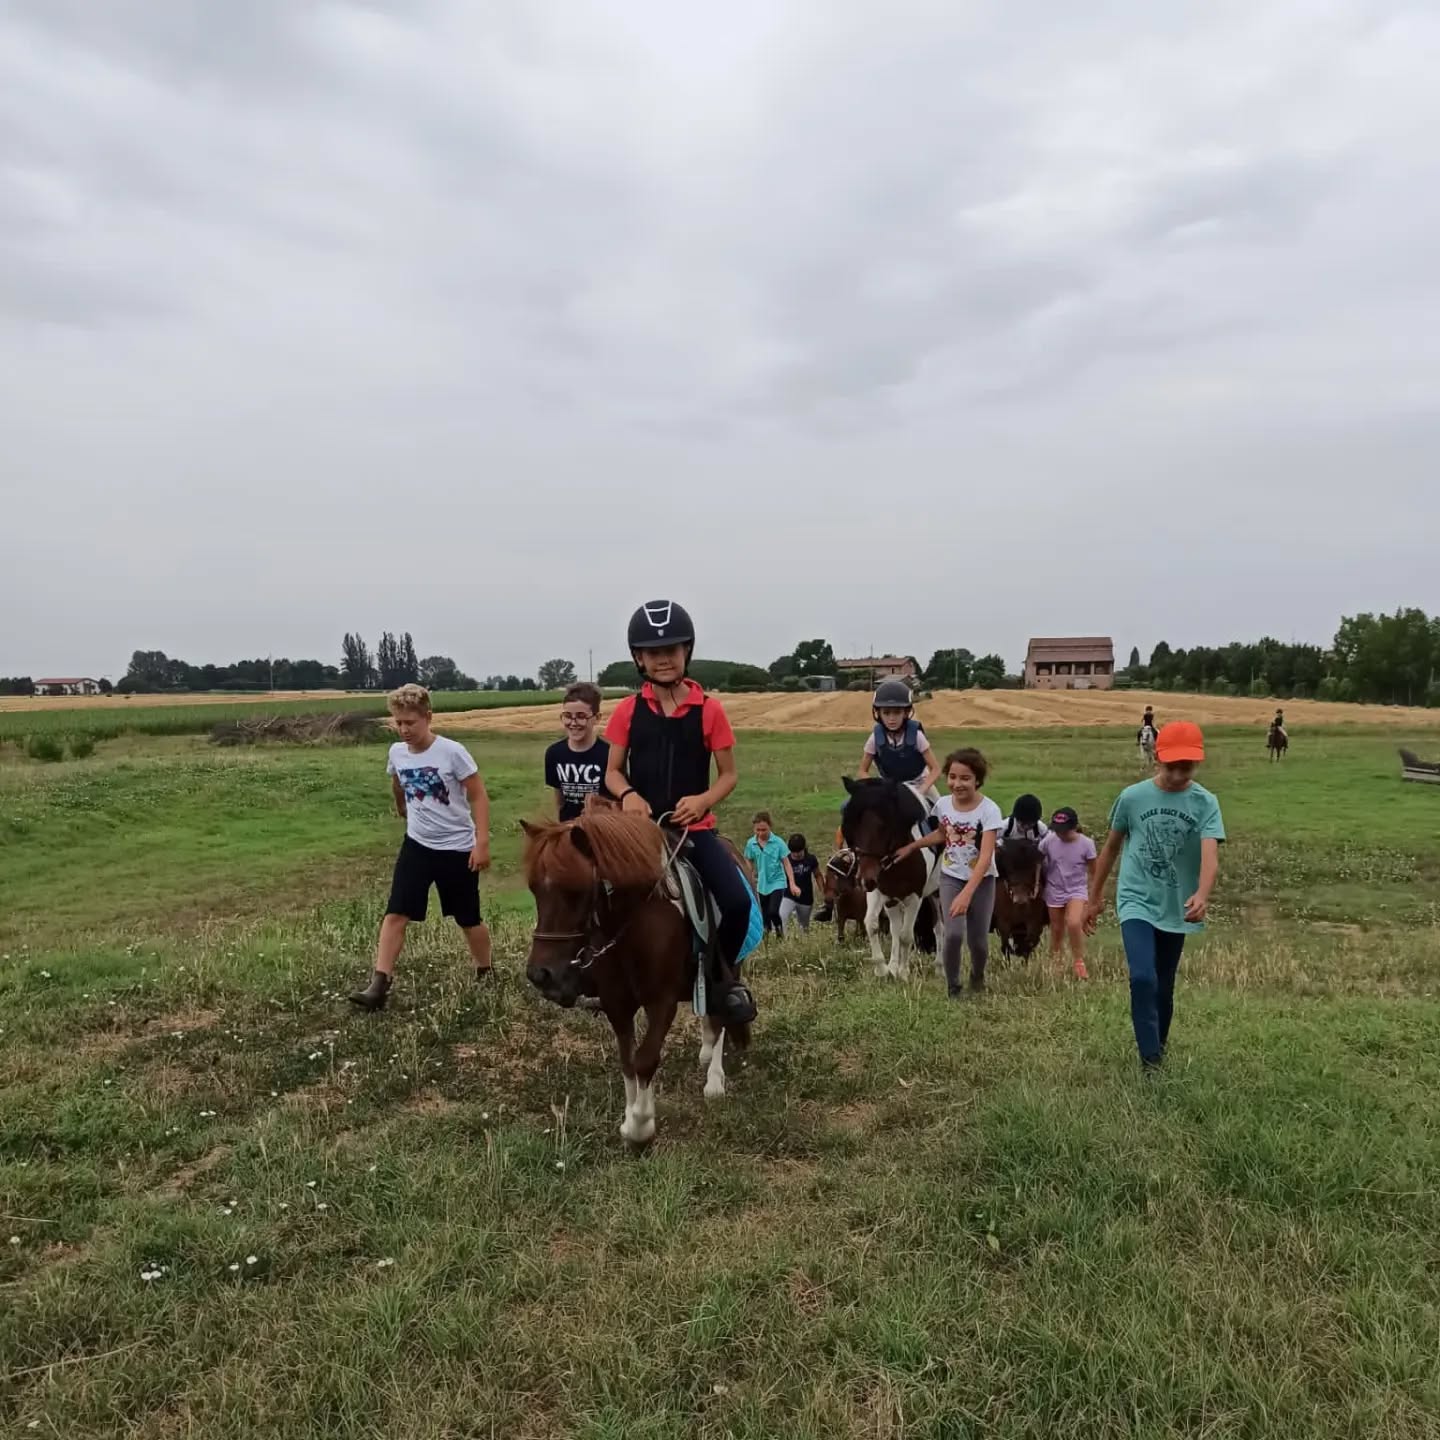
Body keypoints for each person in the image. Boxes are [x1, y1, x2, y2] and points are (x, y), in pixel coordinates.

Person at [603, 600, 757, 1024]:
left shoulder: (710, 710)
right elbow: (612, 771)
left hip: (693, 831)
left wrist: (704, 800)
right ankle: (599, 976)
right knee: (595, 891)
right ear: (639, 658)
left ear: (686, 650)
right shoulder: (627, 711)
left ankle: (722, 980)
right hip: (640, 832)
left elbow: (728, 775)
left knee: (737, 902)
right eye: (653, 652)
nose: (663, 659)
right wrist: (628, 794)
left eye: (671, 650)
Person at [1086, 721, 1225, 1072]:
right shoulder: (1132, 797)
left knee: (1163, 985)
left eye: (1186, 767)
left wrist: (1202, 893)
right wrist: (1094, 897)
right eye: (1171, 766)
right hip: (1135, 898)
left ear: (1198, 762)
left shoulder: (1205, 802)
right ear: (1158, 758)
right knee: (1142, 977)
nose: (1178, 775)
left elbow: (1210, 854)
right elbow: (1111, 848)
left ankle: (1158, 1047)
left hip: (1176, 904)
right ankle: (1150, 1061)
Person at [349, 684, 492, 1012]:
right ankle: (379, 984)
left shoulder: (452, 752)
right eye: (398, 722)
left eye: (410, 723)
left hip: (457, 848)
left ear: (428, 717)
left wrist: (481, 842)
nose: (404, 729)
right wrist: (400, 805)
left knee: (468, 918)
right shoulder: (396, 752)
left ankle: (485, 970)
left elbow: (478, 795)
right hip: (417, 846)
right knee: (396, 912)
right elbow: (397, 780)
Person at [890, 747, 1003, 998]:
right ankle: (953, 988)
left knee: (978, 942)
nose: (957, 783)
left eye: (965, 778)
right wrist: (912, 846)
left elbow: (986, 857)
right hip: (951, 876)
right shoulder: (942, 805)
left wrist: (967, 894)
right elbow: (943, 833)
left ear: (977, 780)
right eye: (952, 777)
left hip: (982, 881)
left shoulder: (989, 810)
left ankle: (977, 978)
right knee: (953, 935)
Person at [859, 677, 943, 805]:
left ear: (906, 712)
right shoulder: (875, 738)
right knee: (848, 807)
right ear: (878, 713)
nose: (891, 718)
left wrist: (921, 791)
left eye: (897, 712)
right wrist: (876, 788)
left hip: (918, 784)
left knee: (940, 811)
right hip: (888, 787)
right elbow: (862, 771)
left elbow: (935, 769)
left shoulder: (917, 736)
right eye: (886, 713)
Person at [1040, 807, 1096, 980]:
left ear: (1074, 827)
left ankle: (1079, 961)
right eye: (1057, 830)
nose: (1060, 834)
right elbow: (1038, 860)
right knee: (1056, 929)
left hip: (1076, 890)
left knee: (1073, 922)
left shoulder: (1086, 844)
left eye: (1064, 831)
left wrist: (1094, 898)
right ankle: (1055, 962)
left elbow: (1094, 871)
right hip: (1054, 889)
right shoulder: (1049, 841)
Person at [544, 682, 610, 820]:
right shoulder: (554, 753)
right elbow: (559, 799)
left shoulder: (609, 754)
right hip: (567, 827)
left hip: (600, 828)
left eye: (581, 716)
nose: (573, 723)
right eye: (568, 716)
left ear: (597, 718)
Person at [745, 812, 796, 938]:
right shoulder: (751, 843)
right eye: (758, 830)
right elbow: (749, 861)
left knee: (773, 911)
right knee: (764, 914)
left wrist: (792, 883)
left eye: (764, 830)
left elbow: (787, 863)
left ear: (770, 827)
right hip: (762, 883)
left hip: (777, 881)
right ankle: (766, 937)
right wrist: (749, 878)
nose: (761, 833)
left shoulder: (778, 842)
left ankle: (779, 932)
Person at [781, 833, 821, 934]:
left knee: (804, 927)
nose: (796, 854)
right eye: (793, 852)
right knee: (782, 915)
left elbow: (818, 875)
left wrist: (823, 890)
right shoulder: (786, 860)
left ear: (804, 848)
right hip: (788, 895)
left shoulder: (811, 859)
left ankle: (803, 940)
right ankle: (783, 939)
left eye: (799, 852)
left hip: (806, 898)